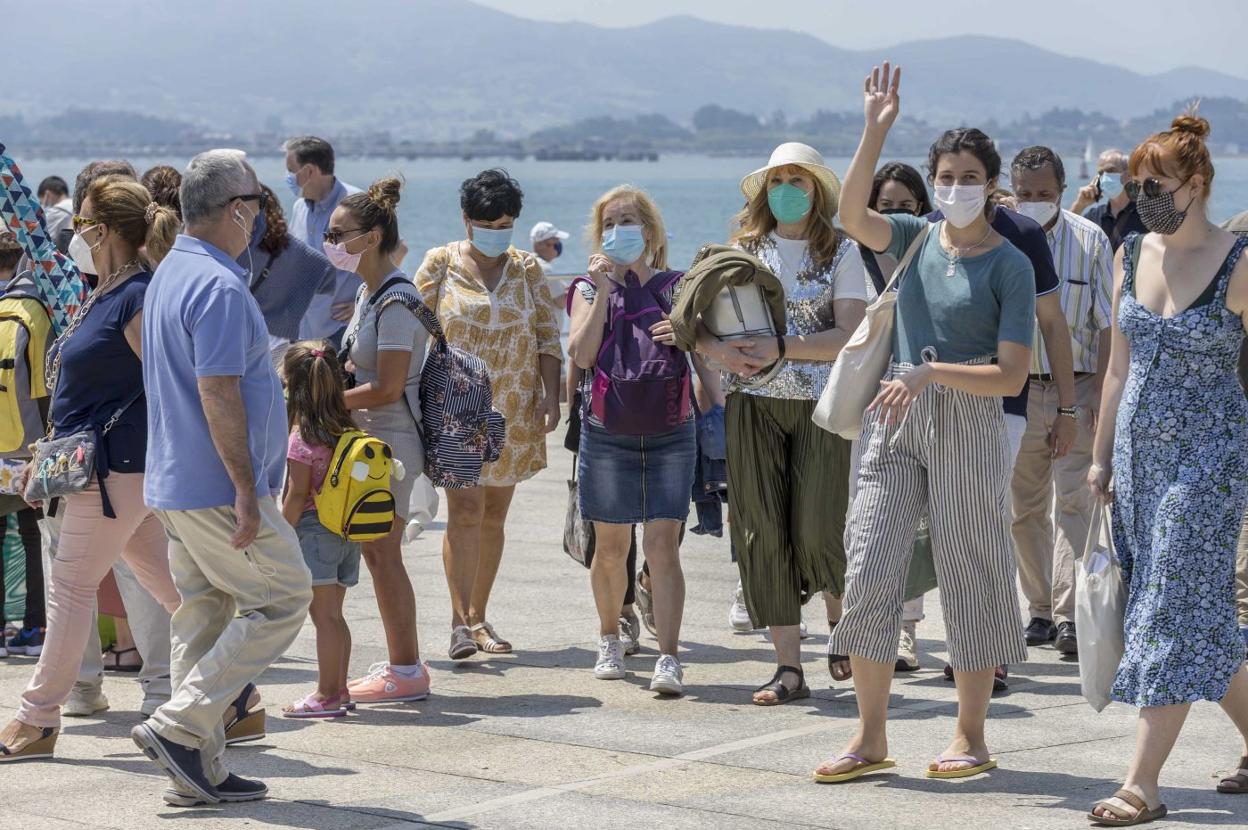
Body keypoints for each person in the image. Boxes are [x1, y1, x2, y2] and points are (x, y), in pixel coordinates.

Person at [819, 62, 1033, 784]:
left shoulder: (1008, 265)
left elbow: (1009, 375)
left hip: (967, 415)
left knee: (971, 570)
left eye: (969, 175)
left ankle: (970, 734)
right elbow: (851, 215)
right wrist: (874, 131)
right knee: (871, 562)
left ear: (991, 184)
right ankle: (870, 735)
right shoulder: (913, 234)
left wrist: (934, 371)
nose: (955, 186)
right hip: (893, 414)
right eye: (946, 173)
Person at [133, 149, 312, 806]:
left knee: (205, 614)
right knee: (285, 596)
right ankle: (181, 726)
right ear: (238, 210)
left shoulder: (171, 273)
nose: (264, 212)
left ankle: (196, 769)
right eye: (260, 199)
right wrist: (245, 489)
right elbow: (218, 392)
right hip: (215, 486)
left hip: (176, 481)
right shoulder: (217, 285)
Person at [1087, 114, 1248, 824]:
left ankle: (1141, 784)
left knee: (1167, 614)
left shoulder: (1239, 263)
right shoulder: (1130, 253)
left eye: (1158, 184)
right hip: (1138, 464)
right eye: (1137, 183)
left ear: (1198, 184)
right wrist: (1099, 457)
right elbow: (1118, 367)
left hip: (1209, 462)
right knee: (1204, 622)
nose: (1145, 193)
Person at [0, 175, 184, 762]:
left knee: (71, 589)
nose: (75, 231)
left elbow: (169, 383)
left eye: (81, 223)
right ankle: (237, 697)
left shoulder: (137, 296)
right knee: (175, 592)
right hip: (111, 474)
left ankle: (37, 718)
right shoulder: (104, 293)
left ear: (100, 230)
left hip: (114, 473)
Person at [693, 142, 868, 703]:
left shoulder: (842, 252)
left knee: (822, 526)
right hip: (751, 405)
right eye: (777, 180)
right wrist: (721, 356)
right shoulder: (740, 251)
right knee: (761, 532)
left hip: (821, 407)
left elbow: (847, 336)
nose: (787, 190)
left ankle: (844, 630)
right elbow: (689, 322)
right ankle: (789, 668)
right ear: (763, 191)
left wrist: (780, 347)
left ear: (817, 189)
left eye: (798, 179)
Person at [416, 170, 562, 659]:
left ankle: (479, 616)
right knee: (465, 511)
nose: (496, 230)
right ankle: (459, 623)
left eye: (504, 222)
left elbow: (547, 334)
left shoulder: (527, 270)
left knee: (495, 514)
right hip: (458, 408)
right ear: (467, 220)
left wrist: (551, 394)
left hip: (514, 409)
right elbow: (412, 327)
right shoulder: (440, 263)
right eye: (486, 222)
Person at [568, 184, 700, 694]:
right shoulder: (584, 287)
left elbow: (706, 347)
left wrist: (683, 333)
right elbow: (581, 354)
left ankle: (669, 656)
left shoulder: (677, 285)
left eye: (629, 221)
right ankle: (609, 637)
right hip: (608, 429)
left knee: (664, 546)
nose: (620, 231)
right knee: (610, 545)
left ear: (650, 230)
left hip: (672, 428)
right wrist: (604, 289)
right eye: (610, 222)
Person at [1009, 146, 1114, 658]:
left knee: (1075, 500)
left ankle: (1071, 614)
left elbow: (1106, 325)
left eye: (1045, 194)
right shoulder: (998, 238)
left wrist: (1105, 396)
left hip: (1080, 383)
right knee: (1023, 506)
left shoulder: (1089, 239)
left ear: (1063, 191)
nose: (1034, 203)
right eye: (1024, 194)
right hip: (1019, 388)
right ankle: (1039, 610)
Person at [335, 177, 430, 702]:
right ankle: (402, 662)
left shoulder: (396, 298)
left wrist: (325, 400)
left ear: (370, 238)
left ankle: (407, 668)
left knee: (384, 555)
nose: (332, 242)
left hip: (392, 446)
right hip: (371, 446)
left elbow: (390, 385)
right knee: (377, 555)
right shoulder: (366, 290)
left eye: (339, 233)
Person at [279, 343, 361, 718]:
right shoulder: (345, 427)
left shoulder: (302, 437)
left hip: (315, 531)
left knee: (323, 618)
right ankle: (339, 689)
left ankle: (326, 694)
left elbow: (296, 496)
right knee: (335, 616)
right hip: (346, 530)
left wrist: (280, 536)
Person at [238, 183, 338, 367]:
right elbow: (328, 273)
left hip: (243, 333)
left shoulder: (238, 244)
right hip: (280, 338)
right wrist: (349, 304)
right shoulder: (294, 248)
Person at [285, 136, 362, 344]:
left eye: (291, 170)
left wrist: (365, 304)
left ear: (309, 171)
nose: (288, 177)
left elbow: (394, 251)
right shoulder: (299, 207)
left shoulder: (355, 204)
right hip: (302, 330)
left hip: (342, 331)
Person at [860, 162, 933, 294]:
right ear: (875, 205)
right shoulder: (854, 254)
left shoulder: (934, 251)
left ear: (919, 207)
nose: (895, 212)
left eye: (905, 205)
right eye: (886, 204)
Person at [1073, 149, 1147, 253]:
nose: (1105, 176)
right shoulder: (1094, 216)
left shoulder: (1145, 215)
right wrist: (1079, 205)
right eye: (1101, 172)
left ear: (1129, 175)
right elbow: (1062, 234)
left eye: (1111, 170)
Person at [36, 176, 72, 245]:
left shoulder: (55, 212)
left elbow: (44, 241)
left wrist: (43, 209)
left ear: (47, 194)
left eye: (42, 201)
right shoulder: (77, 206)